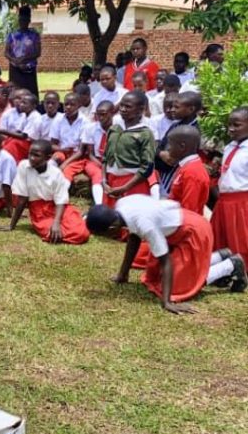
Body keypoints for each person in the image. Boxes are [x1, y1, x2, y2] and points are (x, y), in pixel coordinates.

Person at [86, 198, 245, 312]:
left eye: (102, 234)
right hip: (175, 230)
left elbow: (165, 260)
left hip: (193, 231)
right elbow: (133, 238)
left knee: (180, 287)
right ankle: (220, 256)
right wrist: (123, 274)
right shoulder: (122, 207)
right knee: (154, 277)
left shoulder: (144, 224)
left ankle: (230, 265)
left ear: (113, 227)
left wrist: (167, 301)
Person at [0, 140, 90, 244]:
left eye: (37, 155)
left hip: (58, 207)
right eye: (30, 154)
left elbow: (61, 200)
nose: (32, 158)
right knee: (55, 234)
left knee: (82, 234)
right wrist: (12, 225)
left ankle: (80, 220)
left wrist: (56, 222)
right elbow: (22, 200)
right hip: (39, 212)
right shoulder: (24, 166)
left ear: (47, 158)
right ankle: (75, 223)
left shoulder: (56, 173)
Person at [102, 91, 157, 205]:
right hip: (111, 182)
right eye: (121, 105)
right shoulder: (114, 129)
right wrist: (103, 180)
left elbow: (147, 166)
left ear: (140, 109)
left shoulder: (145, 133)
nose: (122, 109)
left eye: (128, 107)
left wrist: (125, 187)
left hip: (133, 184)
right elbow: (105, 157)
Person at [211, 106, 248, 264]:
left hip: (241, 202)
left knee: (240, 237)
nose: (231, 129)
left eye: (237, 125)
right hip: (224, 200)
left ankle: (239, 265)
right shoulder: (229, 147)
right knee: (221, 237)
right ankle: (224, 265)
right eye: (229, 125)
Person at [62, 99, 114, 207]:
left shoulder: (118, 128)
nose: (100, 118)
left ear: (112, 113)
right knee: (97, 173)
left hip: (112, 159)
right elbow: (90, 154)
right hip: (96, 160)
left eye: (104, 115)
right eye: (98, 115)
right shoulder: (91, 128)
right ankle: (99, 205)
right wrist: (101, 165)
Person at [161, 125, 210, 212]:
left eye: (170, 144)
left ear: (182, 147)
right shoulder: (187, 166)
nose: (168, 149)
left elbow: (189, 209)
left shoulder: (192, 172)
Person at [4, 6, 41, 97]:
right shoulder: (12, 35)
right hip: (15, 68)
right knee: (15, 92)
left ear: (29, 21)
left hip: (29, 69)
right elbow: (6, 52)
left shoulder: (34, 35)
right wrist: (15, 60)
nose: (22, 22)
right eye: (21, 20)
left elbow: (37, 52)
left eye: (25, 20)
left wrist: (25, 59)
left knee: (30, 93)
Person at [0, 91, 42, 163]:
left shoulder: (35, 117)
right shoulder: (25, 115)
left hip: (32, 144)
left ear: (33, 106)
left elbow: (24, 136)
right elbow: (18, 131)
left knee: (12, 145)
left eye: (24, 103)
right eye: (21, 102)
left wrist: (2, 131)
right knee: (8, 141)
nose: (21, 105)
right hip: (23, 141)